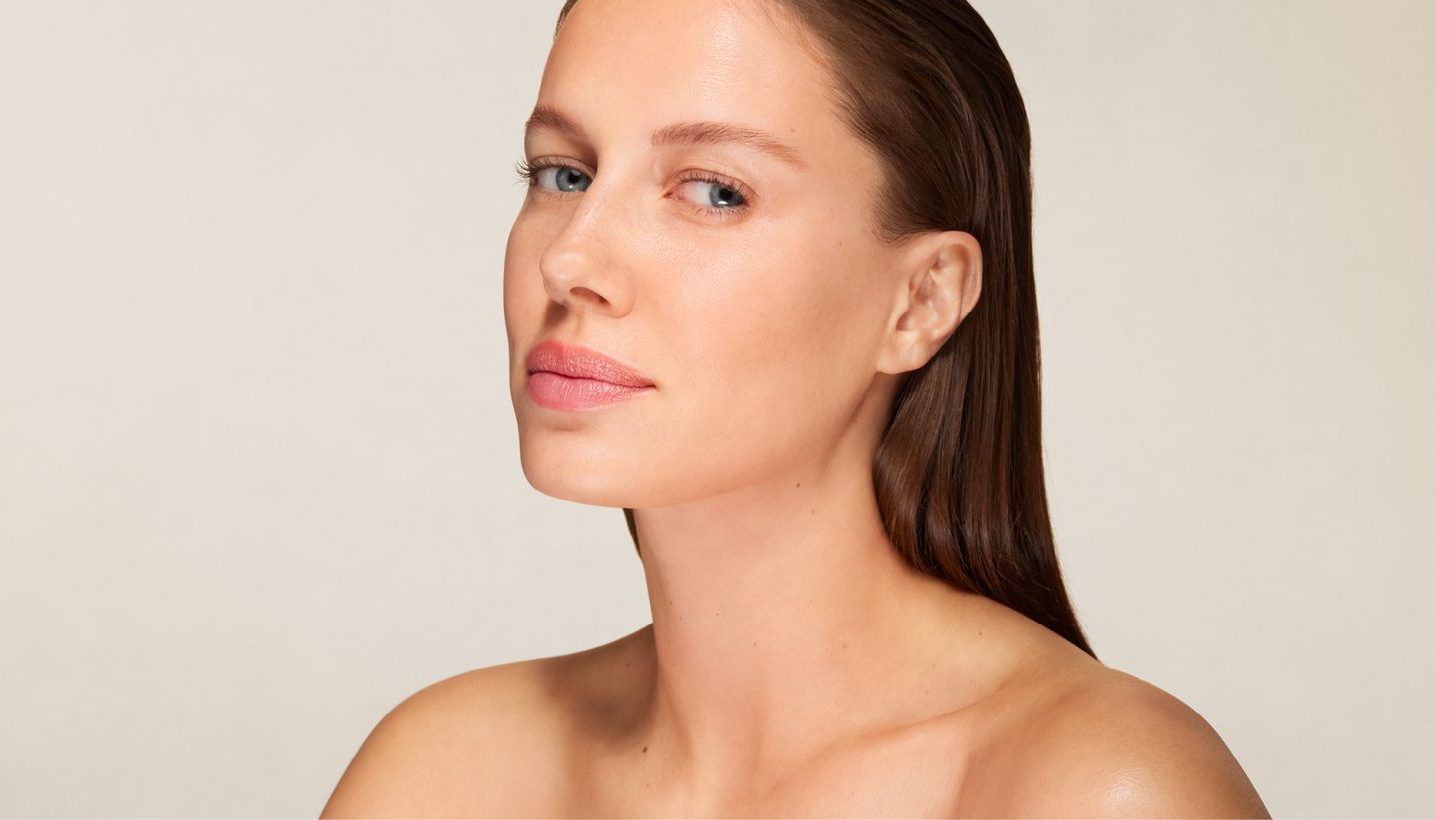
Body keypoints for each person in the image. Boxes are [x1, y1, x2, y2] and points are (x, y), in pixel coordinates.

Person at [323, 0, 1270, 815]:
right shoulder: (444, 777)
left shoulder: (1095, 793)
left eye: (714, 191)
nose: (569, 261)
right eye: (563, 173)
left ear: (921, 301)